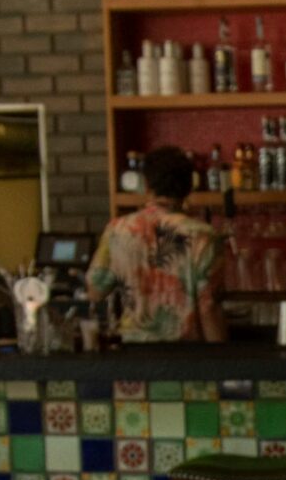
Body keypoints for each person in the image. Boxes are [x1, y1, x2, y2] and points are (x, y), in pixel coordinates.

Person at [89, 145, 227, 341]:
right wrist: (221, 361)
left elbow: (96, 290)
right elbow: (209, 306)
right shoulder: (203, 236)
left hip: (131, 353)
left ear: (146, 185)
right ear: (189, 187)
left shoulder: (118, 230)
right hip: (187, 357)